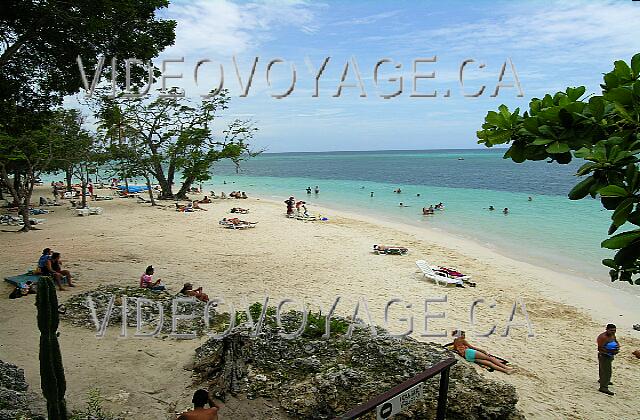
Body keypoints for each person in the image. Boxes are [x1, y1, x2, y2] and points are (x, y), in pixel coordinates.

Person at [597, 324, 619, 395]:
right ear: (607, 329)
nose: (613, 332)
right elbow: (600, 348)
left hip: (610, 355)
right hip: (604, 356)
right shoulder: (602, 337)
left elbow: (615, 341)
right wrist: (609, 351)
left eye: (614, 330)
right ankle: (603, 387)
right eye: (611, 330)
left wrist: (617, 347)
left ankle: (602, 380)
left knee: (603, 369)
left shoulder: (612, 335)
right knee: (607, 371)